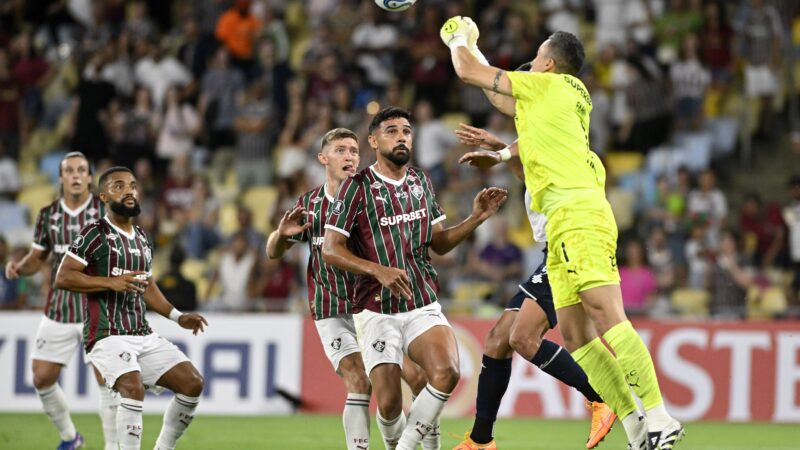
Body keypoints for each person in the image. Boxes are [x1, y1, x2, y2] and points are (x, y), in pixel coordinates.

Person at [443, 20, 683, 449]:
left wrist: (459, 36)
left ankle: (661, 417)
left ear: (548, 64)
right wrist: (500, 152)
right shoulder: (558, 110)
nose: (530, 65)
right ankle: (634, 429)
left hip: (577, 218)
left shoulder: (551, 88)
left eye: (535, 58)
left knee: (607, 318)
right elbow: (503, 102)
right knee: (576, 337)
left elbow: (469, 74)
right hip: (562, 225)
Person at [322, 107, 508, 450]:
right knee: (391, 404)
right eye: (391, 131)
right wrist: (378, 270)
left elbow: (438, 242)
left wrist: (476, 217)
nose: (401, 137)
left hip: (421, 302)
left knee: (448, 372)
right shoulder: (356, 187)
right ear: (374, 141)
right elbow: (331, 250)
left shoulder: (420, 181)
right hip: (375, 308)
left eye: (406, 131)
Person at [452, 125, 616, 450]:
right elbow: (526, 166)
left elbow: (523, 162)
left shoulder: (552, 138)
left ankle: (602, 399)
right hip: (554, 249)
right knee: (498, 339)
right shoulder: (541, 141)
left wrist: (497, 153)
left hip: (569, 244)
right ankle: (481, 440)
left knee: (522, 338)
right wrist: (498, 147)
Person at [267, 127, 430, 450]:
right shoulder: (310, 203)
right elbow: (273, 252)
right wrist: (282, 235)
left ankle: (409, 443)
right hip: (331, 309)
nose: (350, 157)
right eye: (341, 150)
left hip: (372, 307)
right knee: (358, 381)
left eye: (355, 151)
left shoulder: (372, 198)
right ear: (323, 158)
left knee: (417, 379)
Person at [55, 166, 208, 450]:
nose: (129, 191)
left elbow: (147, 285)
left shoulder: (141, 237)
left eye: (133, 186)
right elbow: (63, 276)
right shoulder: (94, 233)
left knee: (193, 383)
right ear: (103, 196)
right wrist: (109, 282)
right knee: (133, 387)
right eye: (119, 186)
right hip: (106, 335)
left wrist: (178, 316)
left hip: (142, 333)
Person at [4, 152, 114, 450]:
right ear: (61, 178)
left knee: (107, 380)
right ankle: (70, 438)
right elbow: (37, 258)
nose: (76, 175)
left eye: (82, 170)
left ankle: (114, 446)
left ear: (90, 178)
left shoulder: (106, 214)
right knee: (41, 378)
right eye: (70, 171)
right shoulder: (48, 215)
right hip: (59, 310)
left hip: (97, 309)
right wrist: (19, 267)